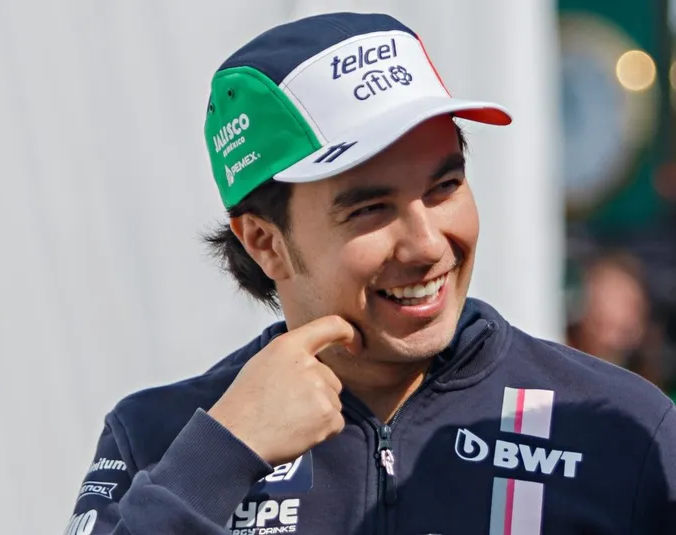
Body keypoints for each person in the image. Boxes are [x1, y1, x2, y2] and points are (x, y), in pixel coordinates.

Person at [63, 12, 676, 535]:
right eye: (370, 209)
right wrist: (222, 456)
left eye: (445, 185)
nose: (428, 244)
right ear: (264, 242)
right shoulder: (159, 440)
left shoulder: (624, 428)